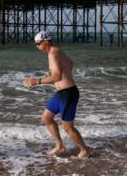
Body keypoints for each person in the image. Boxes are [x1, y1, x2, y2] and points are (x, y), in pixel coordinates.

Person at [23, 31, 90, 159]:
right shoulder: (57, 51)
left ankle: (84, 150)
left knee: (67, 126)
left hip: (68, 93)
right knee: (46, 118)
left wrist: (37, 81)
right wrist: (66, 74)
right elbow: (70, 63)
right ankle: (60, 145)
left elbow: (57, 76)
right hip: (61, 93)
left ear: (45, 41)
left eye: (38, 44)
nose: (37, 47)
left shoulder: (53, 53)